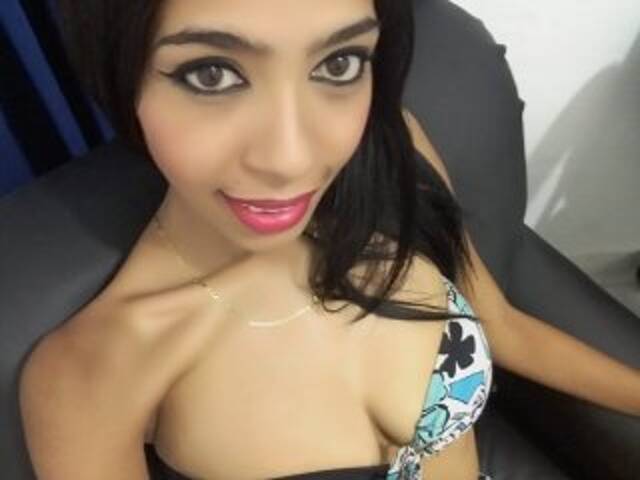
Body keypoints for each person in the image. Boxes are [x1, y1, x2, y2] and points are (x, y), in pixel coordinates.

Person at [16, 1, 639, 479]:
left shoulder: (392, 155)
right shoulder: (96, 372)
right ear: (123, 76)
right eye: (212, 73)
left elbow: (502, 327)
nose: (291, 159)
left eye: (338, 64)